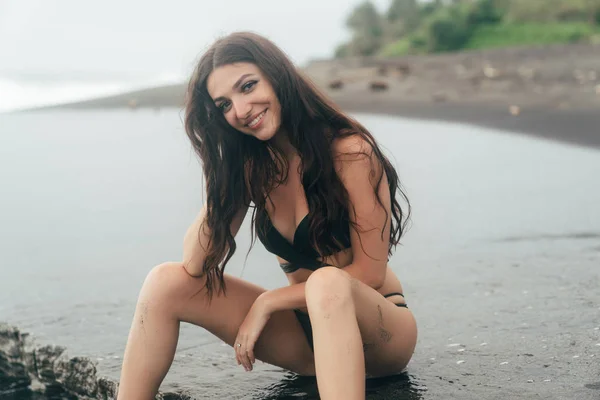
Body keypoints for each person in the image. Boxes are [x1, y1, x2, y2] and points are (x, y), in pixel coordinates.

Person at [117, 31, 417, 400]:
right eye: (224, 105)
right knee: (164, 281)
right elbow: (195, 264)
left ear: (276, 75)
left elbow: (370, 274)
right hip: (306, 339)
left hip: (379, 331)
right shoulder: (255, 169)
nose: (240, 110)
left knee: (327, 282)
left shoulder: (349, 152)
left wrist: (269, 301)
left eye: (247, 86)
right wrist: (225, 171)